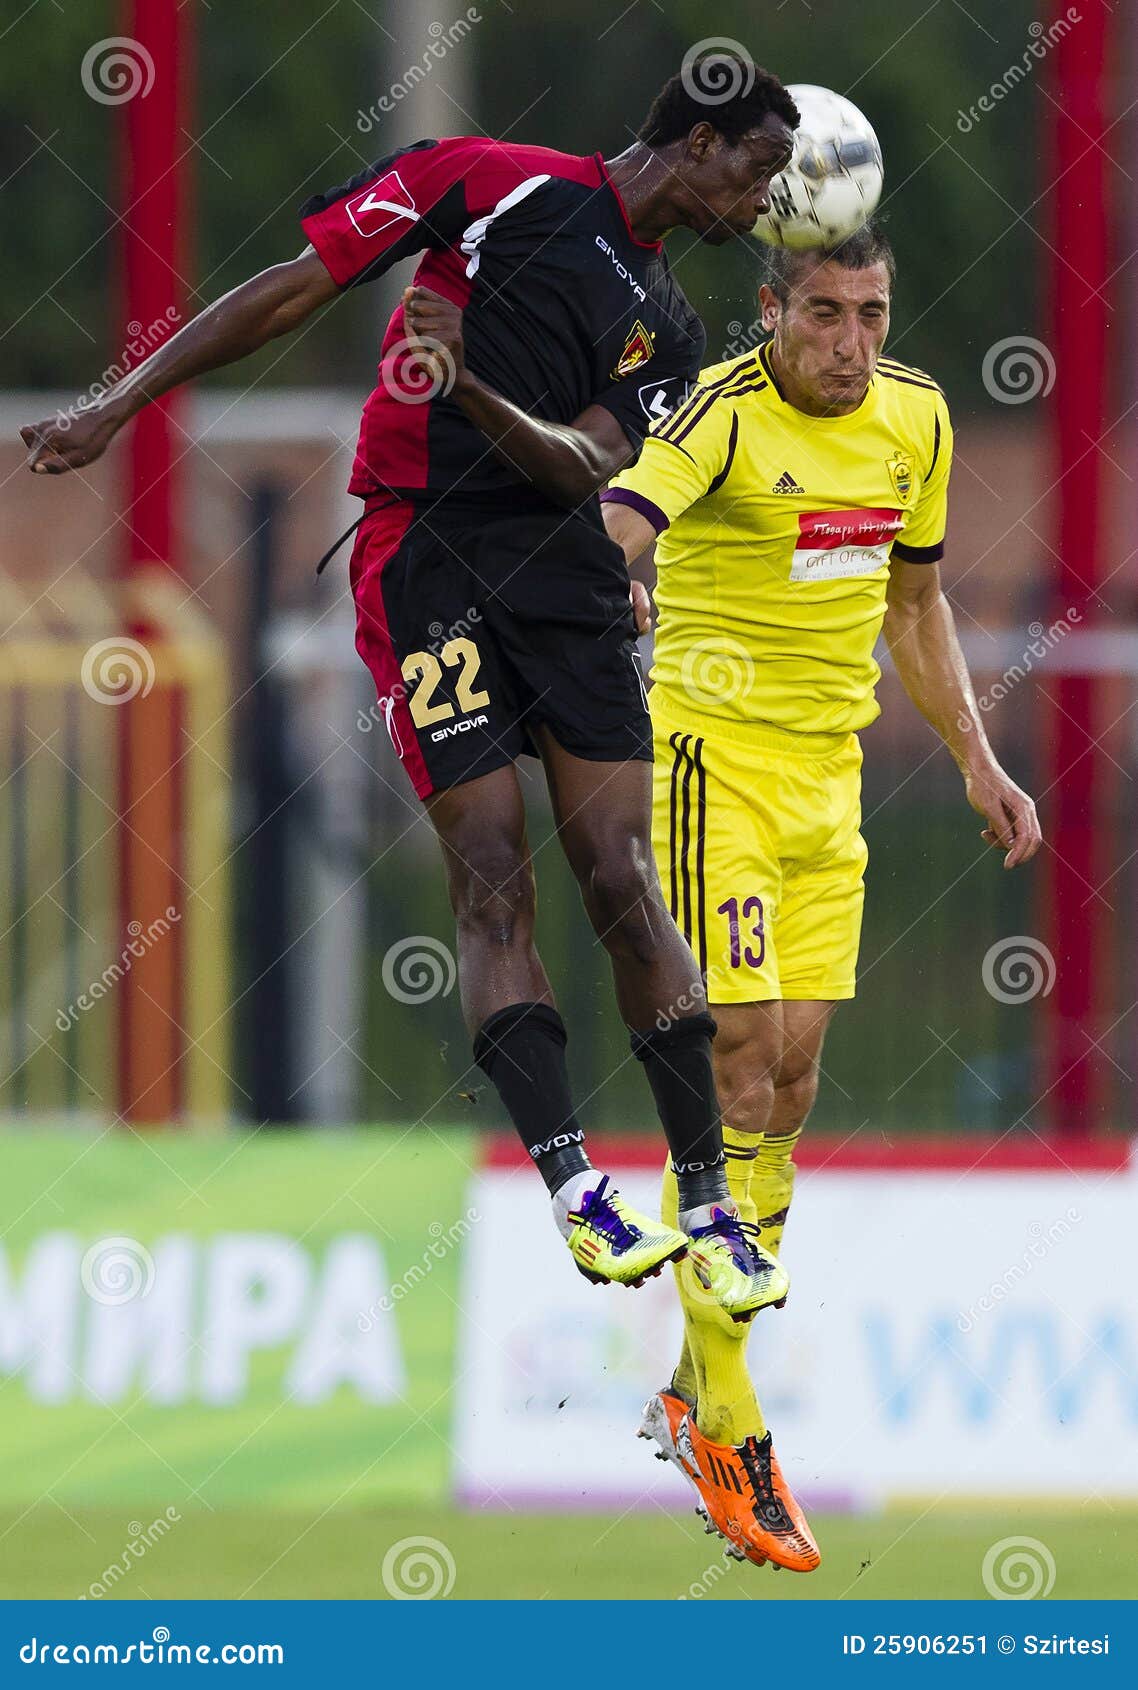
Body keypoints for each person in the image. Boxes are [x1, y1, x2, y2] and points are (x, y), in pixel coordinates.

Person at [21, 61, 802, 1317]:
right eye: (755, 170)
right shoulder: (484, 184)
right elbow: (290, 289)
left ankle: (708, 1202)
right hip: (422, 558)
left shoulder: (676, 330)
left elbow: (578, 469)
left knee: (617, 872)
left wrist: (470, 388)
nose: (761, 201)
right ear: (696, 142)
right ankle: (573, 1192)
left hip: (569, 579)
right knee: (491, 870)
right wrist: (121, 402)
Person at [601, 221, 1042, 1570]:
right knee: (739, 1059)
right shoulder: (722, 414)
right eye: (826, 314)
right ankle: (731, 1425)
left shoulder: (913, 418)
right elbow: (621, 515)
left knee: (792, 1076)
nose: (851, 341)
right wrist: (610, 573)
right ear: (771, 311)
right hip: (707, 763)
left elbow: (913, 606)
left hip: (824, 781)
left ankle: (689, 1382)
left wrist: (976, 756)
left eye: (872, 312)